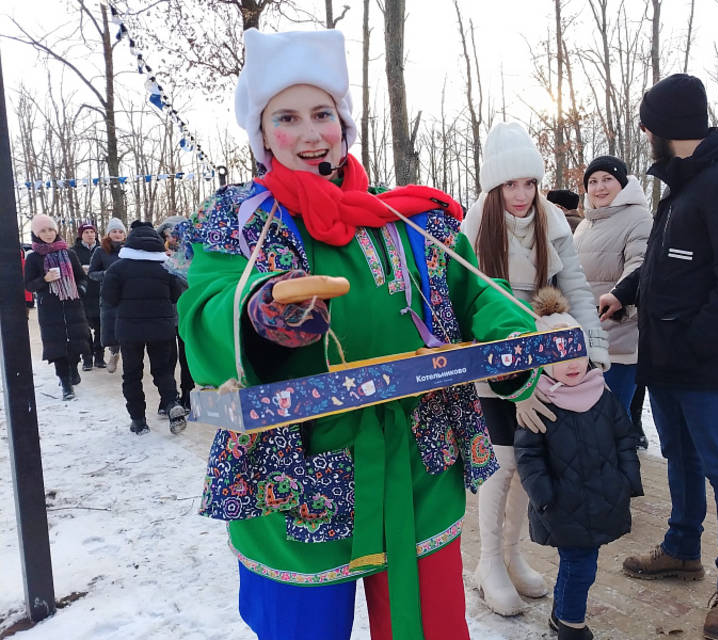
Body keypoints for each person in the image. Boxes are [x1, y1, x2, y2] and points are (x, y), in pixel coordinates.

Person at [177, 28, 539, 640]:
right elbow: (207, 301)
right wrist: (258, 314)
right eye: (287, 117)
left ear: (344, 124)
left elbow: (476, 293)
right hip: (296, 473)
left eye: (323, 114)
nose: (312, 133)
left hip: (418, 461)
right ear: (263, 135)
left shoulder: (408, 217)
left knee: (427, 627)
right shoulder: (242, 221)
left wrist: (507, 343)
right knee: (302, 629)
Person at [598, 73, 718, 640]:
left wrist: (696, 343)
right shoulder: (685, 184)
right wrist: (624, 294)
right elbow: (665, 265)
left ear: (662, 127)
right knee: (680, 456)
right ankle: (681, 547)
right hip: (665, 354)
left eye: (647, 126)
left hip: (704, 360)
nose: (645, 135)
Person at [462, 121, 609, 616]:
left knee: (529, 466)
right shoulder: (475, 225)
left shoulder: (552, 219)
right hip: (493, 358)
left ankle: (512, 553)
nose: (521, 194)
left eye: (529, 182)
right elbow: (469, 305)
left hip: (545, 355)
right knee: (502, 463)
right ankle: (487, 563)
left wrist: (592, 349)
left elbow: (578, 289)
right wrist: (514, 382)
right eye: (510, 184)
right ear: (493, 185)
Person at [514, 287, 643, 640]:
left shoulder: (601, 393)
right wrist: (545, 497)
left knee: (583, 564)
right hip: (562, 504)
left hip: (603, 498)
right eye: (559, 355)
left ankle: (561, 614)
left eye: (576, 352)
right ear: (542, 359)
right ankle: (571, 625)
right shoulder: (539, 403)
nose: (571, 364)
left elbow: (624, 439)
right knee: (579, 564)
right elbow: (529, 456)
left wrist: (628, 479)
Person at [574, 155, 652, 449]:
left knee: (612, 423)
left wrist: (619, 301)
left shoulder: (638, 218)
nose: (599, 187)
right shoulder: (585, 225)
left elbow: (640, 268)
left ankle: (616, 490)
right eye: (593, 181)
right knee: (588, 426)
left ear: (622, 183)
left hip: (619, 338)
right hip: (584, 341)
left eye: (607, 179)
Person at [101, 221, 187, 435]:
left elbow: (109, 299)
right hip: (161, 328)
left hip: (130, 330)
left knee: (132, 374)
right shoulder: (166, 267)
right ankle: (171, 403)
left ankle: (138, 420)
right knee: (163, 370)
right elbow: (176, 295)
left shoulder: (117, 268)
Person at [23, 214, 90, 400]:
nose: (48, 234)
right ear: (36, 234)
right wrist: (45, 279)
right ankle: (66, 383)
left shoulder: (69, 253)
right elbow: (28, 285)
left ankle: (73, 368)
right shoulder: (33, 258)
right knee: (57, 346)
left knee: (76, 342)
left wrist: (81, 291)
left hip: (72, 304)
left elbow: (81, 278)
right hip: (50, 308)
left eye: (51, 229)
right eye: (43, 231)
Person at [157, 215, 194, 412]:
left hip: (186, 311)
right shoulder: (155, 255)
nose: (172, 238)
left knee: (187, 356)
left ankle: (188, 393)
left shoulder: (192, 254)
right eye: (168, 233)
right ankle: (168, 398)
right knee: (167, 357)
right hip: (165, 314)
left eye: (176, 233)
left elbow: (196, 280)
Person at [89, 217, 126, 373]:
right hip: (109, 294)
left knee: (127, 326)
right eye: (114, 231)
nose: (117, 234)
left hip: (128, 294)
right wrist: (107, 274)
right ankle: (114, 353)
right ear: (108, 233)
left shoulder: (130, 249)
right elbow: (91, 273)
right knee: (111, 328)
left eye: (120, 231)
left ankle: (128, 356)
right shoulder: (100, 250)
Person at [73, 222, 105, 370]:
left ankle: (99, 357)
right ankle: (86, 358)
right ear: (81, 235)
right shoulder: (74, 251)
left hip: (100, 294)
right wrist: (80, 271)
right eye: (86, 232)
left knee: (100, 329)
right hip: (82, 296)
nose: (90, 235)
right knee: (83, 330)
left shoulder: (103, 250)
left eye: (92, 232)